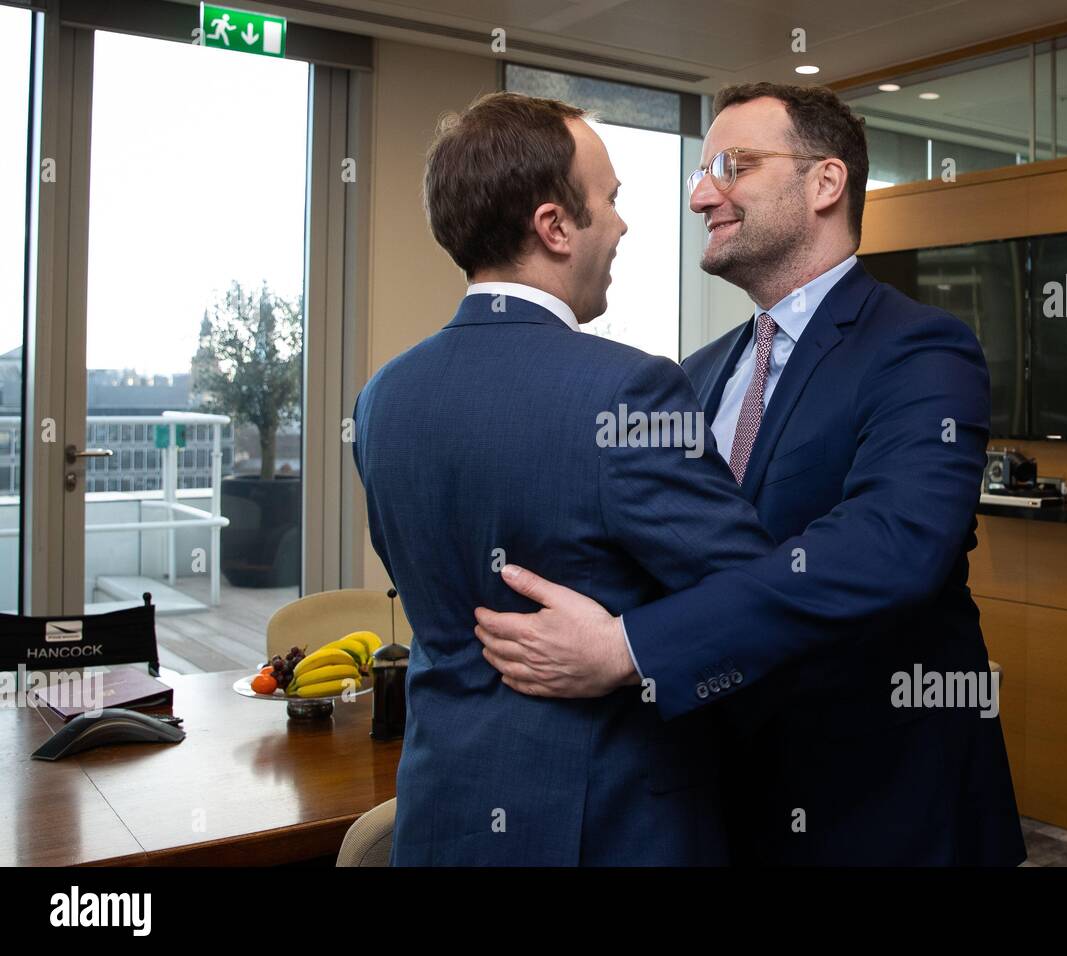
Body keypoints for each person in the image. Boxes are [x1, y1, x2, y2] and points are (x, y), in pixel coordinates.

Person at [475, 83, 1026, 865]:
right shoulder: (691, 377)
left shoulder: (922, 352)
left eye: (732, 165)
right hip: (720, 801)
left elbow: (893, 546)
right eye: (700, 172)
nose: (702, 195)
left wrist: (630, 648)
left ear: (826, 182)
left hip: (883, 806)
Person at [352, 92, 772, 865]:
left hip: (442, 816)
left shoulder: (381, 399)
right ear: (554, 227)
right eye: (608, 201)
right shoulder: (628, 390)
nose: (621, 224)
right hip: (604, 825)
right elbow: (757, 599)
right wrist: (629, 649)